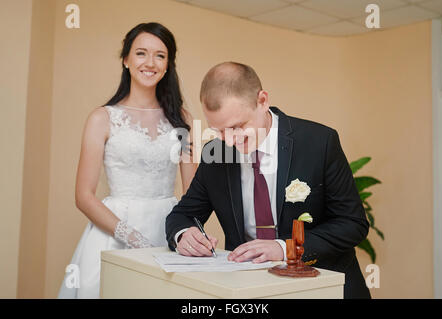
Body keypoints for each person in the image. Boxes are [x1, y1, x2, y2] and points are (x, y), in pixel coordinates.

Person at [165, 62, 371, 299]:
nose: (229, 141)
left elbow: (352, 223)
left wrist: (285, 248)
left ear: (262, 101)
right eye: (219, 131)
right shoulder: (216, 154)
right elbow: (182, 215)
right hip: (251, 293)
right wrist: (184, 235)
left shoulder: (319, 142)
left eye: (238, 127)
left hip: (323, 286)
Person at [58, 22, 197, 299]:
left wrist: (189, 233)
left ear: (169, 64)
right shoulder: (102, 118)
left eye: (160, 55)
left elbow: (194, 192)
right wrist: (132, 237)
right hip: (114, 232)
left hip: (167, 229)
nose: (150, 62)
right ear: (126, 59)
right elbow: (83, 196)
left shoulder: (183, 119)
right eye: (141, 53)